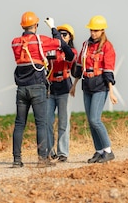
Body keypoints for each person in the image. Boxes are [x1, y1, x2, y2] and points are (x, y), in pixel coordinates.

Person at [10, 11, 73, 168]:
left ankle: (17, 160)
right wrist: (53, 28)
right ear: (36, 25)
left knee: (19, 124)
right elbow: (60, 43)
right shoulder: (40, 40)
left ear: (22, 25)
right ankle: (42, 159)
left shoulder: (15, 43)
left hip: (21, 89)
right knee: (42, 123)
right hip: (37, 87)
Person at [70, 15, 118, 163]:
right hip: (87, 84)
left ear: (102, 31)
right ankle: (99, 151)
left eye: (96, 31)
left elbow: (108, 70)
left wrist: (111, 92)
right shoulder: (85, 45)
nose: (93, 33)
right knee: (90, 121)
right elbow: (79, 66)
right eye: (91, 30)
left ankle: (108, 151)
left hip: (100, 85)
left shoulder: (107, 47)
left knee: (95, 119)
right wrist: (74, 85)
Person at [45, 24, 77, 162]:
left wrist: (60, 41)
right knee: (47, 121)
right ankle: (49, 151)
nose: (62, 36)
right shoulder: (51, 51)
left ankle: (63, 153)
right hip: (50, 88)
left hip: (65, 88)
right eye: (60, 34)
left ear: (70, 37)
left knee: (63, 122)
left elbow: (70, 57)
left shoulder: (72, 52)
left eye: (65, 34)